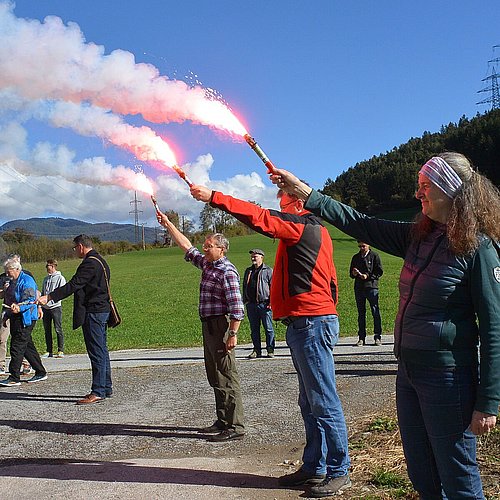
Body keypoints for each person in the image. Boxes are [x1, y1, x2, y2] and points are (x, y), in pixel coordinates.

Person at [271, 152, 500, 499]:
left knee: (458, 477)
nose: (418, 193)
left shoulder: (478, 248)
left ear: (451, 192)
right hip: (408, 371)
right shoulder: (418, 236)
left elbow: (495, 328)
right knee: (421, 472)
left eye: (426, 186)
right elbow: (359, 222)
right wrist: (304, 192)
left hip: (449, 378)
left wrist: (489, 401)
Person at [190, 184, 351, 497]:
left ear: (300, 203)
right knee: (310, 401)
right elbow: (332, 282)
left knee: (322, 400)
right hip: (308, 321)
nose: (281, 206)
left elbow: (260, 218)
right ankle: (314, 466)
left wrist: (215, 198)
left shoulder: (303, 226)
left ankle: (338, 469)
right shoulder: (317, 233)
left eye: (285, 200)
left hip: (311, 323)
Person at [156, 211, 246, 442]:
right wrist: (168, 224)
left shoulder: (227, 271)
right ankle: (222, 420)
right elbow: (187, 247)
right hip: (209, 325)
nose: (204, 249)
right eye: (205, 246)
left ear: (221, 249)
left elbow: (237, 307)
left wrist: (232, 334)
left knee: (226, 374)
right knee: (215, 375)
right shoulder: (208, 265)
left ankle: (235, 425)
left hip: (221, 325)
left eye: (209, 246)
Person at [38, 235, 112, 405]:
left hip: (94, 312)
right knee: (102, 350)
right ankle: (106, 387)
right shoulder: (101, 260)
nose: (74, 251)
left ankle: (99, 390)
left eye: (74, 248)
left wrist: (49, 297)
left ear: (80, 246)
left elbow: (73, 285)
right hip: (102, 310)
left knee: (97, 352)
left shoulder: (89, 263)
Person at [0, 257, 47, 386]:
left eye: (8, 270)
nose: (6, 273)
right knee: (26, 346)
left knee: (17, 346)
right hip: (15, 316)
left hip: (26, 317)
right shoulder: (11, 282)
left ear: (16, 269)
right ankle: (41, 372)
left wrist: (20, 307)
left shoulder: (27, 281)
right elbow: (9, 301)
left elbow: (30, 299)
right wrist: (6, 315)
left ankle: (14, 377)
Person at [243, 248, 276, 359]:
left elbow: (273, 287)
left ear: (261, 257)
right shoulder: (248, 271)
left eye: (255, 256)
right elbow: (244, 286)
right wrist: (245, 300)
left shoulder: (268, 271)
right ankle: (256, 350)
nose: (253, 258)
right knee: (254, 330)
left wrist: (272, 302)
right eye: (252, 256)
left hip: (265, 304)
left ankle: (270, 349)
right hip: (251, 305)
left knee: (269, 328)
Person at [349, 241, 383, 346]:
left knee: (375, 311)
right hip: (359, 288)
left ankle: (377, 336)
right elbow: (351, 273)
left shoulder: (374, 256)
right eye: (360, 246)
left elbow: (379, 271)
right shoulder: (355, 257)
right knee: (361, 313)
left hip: (371, 287)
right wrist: (354, 273)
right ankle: (361, 338)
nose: (362, 248)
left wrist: (368, 276)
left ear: (368, 245)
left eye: (363, 246)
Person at [41, 259, 66, 358]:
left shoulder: (60, 278)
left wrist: (54, 300)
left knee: (58, 328)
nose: (47, 268)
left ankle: (60, 350)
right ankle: (49, 350)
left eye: (48, 266)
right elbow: (43, 292)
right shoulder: (45, 279)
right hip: (45, 308)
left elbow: (63, 292)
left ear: (53, 266)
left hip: (55, 307)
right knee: (47, 330)